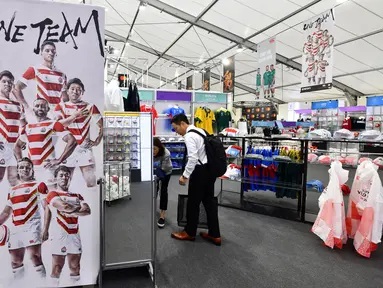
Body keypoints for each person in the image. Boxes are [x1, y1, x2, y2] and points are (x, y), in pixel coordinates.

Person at [170, 114, 221, 246]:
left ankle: (190, 232)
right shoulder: (201, 130)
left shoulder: (189, 136)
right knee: (209, 203)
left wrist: (185, 176)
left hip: (199, 172)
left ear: (182, 124)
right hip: (209, 170)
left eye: (176, 129)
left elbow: (192, 158)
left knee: (193, 203)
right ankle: (215, 234)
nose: (177, 132)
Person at [0, 158, 48, 282]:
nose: (25, 169)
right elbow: (6, 212)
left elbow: (47, 208)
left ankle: (44, 284)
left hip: (32, 226)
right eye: (21, 167)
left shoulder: (39, 185)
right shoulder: (12, 190)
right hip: (15, 229)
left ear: (32, 170)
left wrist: (46, 229)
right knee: (15, 262)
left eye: (28, 167)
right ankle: (19, 284)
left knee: (35, 257)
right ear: (18, 170)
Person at [14, 98, 77, 190]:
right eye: (37, 106)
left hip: (48, 169)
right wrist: (20, 162)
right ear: (33, 109)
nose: (40, 108)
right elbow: (17, 146)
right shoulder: (28, 127)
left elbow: (72, 140)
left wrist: (59, 160)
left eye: (43, 106)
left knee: (50, 199)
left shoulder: (54, 124)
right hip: (31, 170)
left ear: (47, 109)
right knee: (33, 200)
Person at [44, 165, 91, 286]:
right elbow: (64, 206)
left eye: (67, 175)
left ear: (70, 178)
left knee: (75, 267)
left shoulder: (77, 196)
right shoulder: (52, 194)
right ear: (55, 178)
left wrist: (73, 211)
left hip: (74, 235)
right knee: (57, 268)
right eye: (61, 175)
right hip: (59, 235)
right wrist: (77, 209)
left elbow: (87, 210)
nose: (64, 177)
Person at [54, 78, 103, 188]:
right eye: (72, 89)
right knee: (63, 184)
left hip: (84, 149)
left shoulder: (90, 107)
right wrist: (75, 115)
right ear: (67, 91)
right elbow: (58, 125)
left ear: (83, 92)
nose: (75, 92)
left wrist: (97, 140)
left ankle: (89, 203)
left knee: (91, 183)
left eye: (78, 89)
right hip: (67, 150)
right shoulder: (61, 106)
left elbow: (102, 125)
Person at [13, 41, 68, 113]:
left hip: (57, 113)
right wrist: (26, 106)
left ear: (56, 53)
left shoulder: (61, 74)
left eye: (53, 51)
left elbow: (65, 97)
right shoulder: (35, 69)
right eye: (47, 51)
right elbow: (16, 87)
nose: (50, 53)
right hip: (42, 112)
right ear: (41, 53)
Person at [0, 70, 27, 187]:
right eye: (4, 82)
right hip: (1, 146)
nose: (7, 84)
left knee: (15, 181)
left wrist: (23, 139)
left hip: (14, 148)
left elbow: (24, 125)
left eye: (10, 82)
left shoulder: (18, 105)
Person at [153, 137, 172, 228]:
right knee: (154, 190)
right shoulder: (149, 152)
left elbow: (164, 169)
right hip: (155, 171)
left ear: (159, 148)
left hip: (166, 172)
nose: (153, 151)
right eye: (151, 149)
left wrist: (156, 171)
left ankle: (162, 215)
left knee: (163, 191)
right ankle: (152, 207)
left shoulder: (166, 153)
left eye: (155, 149)